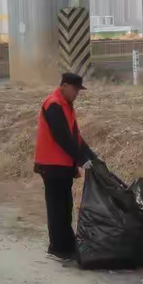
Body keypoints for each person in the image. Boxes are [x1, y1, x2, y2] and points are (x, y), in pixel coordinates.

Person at [34, 73, 97, 262]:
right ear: (64, 85)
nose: (77, 93)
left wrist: (92, 157)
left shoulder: (66, 105)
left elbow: (75, 137)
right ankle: (56, 248)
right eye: (75, 89)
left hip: (61, 166)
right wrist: (80, 159)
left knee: (66, 206)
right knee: (56, 207)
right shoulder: (53, 104)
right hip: (51, 165)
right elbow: (62, 136)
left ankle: (67, 244)